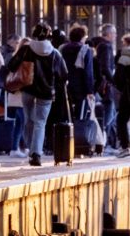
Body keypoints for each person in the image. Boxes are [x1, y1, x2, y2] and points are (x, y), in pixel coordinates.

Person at [6, 22, 68, 167]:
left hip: (28, 89)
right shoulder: (54, 53)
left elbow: (11, 65)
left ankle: (30, 147)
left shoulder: (26, 49)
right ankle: (36, 154)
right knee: (40, 122)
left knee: (28, 119)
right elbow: (63, 75)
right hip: (46, 92)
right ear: (49, 36)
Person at [60, 25, 95, 123]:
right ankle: (78, 136)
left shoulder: (63, 49)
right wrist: (90, 90)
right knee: (80, 116)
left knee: (67, 115)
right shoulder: (85, 50)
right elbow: (88, 72)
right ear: (82, 37)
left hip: (65, 86)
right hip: (81, 88)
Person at [95, 23, 119, 147]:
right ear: (108, 34)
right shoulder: (107, 46)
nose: (115, 36)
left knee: (110, 112)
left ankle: (106, 141)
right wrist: (114, 81)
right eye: (114, 33)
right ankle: (104, 142)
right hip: (106, 85)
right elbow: (106, 67)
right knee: (109, 113)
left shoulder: (98, 45)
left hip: (100, 84)